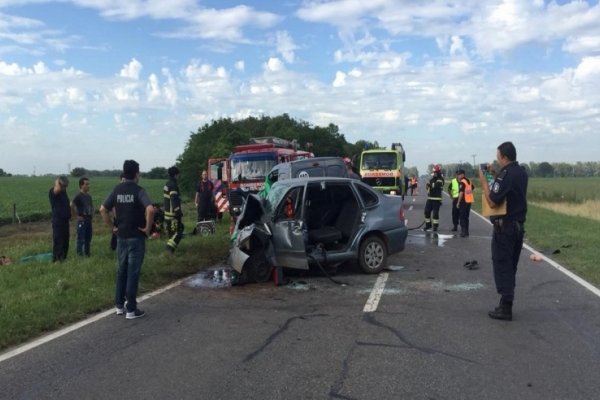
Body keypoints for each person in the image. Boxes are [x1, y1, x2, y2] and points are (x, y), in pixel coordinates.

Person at [479, 142, 528, 321]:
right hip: (518, 227)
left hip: (505, 228)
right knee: (511, 266)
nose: (497, 158)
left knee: (502, 265)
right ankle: (504, 302)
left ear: (504, 157)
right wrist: (494, 174)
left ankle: (506, 307)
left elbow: (492, 201)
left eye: (498, 155)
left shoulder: (506, 175)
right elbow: (508, 186)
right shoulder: (521, 172)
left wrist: (485, 182)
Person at [100, 160, 154, 320]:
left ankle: (119, 305)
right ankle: (131, 309)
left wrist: (113, 227)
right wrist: (147, 229)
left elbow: (103, 209)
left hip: (121, 237)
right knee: (133, 272)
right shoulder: (139, 190)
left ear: (124, 173)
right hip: (136, 237)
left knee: (121, 271)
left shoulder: (116, 190)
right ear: (136, 174)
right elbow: (150, 209)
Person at [49, 175, 71, 262]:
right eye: (63, 185)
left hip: (65, 221)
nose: (64, 187)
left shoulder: (63, 192)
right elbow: (57, 189)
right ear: (58, 184)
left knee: (65, 241)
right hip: (58, 221)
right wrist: (58, 182)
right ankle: (57, 260)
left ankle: (63, 258)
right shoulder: (53, 191)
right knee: (59, 240)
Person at [70, 177, 93, 256]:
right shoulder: (78, 196)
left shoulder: (88, 196)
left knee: (88, 238)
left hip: (88, 220)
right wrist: (76, 216)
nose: (88, 186)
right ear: (81, 185)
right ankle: (79, 255)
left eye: (88, 184)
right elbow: (71, 205)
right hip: (82, 221)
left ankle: (87, 254)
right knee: (80, 239)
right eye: (86, 184)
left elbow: (91, 206)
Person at [164, 166, 184, 253]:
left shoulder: (167, 184)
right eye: (178, 175)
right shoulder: (173, 185)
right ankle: (169, 248)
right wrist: (178, 212)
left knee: (172, 233)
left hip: (167, 213)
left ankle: (172, 250)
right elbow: (174, 199)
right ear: (176, 175)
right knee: (179, 232)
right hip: (173, 215)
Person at [423, 164, 444, 232]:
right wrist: (427, 186)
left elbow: (436, 186)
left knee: (435, 214)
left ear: (438, 172)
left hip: (437, 199)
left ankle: (435, 227)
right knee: (426, 211)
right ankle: (428, 225)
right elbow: (427, 187)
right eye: (434, 172)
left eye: (435, 172)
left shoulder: (440, 179)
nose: (434, 173)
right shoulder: (431, 179)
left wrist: (430, 185)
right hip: (430, 198)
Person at [456, 169, 474, 237]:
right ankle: (466, 231)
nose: (458, 176)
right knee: (466, 217)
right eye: (458, 174)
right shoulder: (469, 180)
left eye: (459, 174)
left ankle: (463, 232)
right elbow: (472, 188)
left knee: (462, 217)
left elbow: (461, 193)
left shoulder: (462, 182)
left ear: (463, 174)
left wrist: (458, 202)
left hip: (463, 202)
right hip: (469, 201)